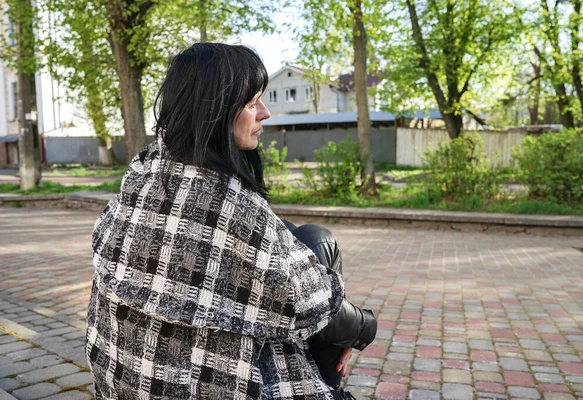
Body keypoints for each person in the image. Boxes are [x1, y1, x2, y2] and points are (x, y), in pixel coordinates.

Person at [85, 42, 377, 400]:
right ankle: (332, 385)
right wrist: (364, 327)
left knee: (296, 238)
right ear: (216, 111)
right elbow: (313, 304)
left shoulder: (145, 174)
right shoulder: (233, 208)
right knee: (318, 244)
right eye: (253, 102)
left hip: (120, 381)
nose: (265, 113)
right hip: (198, 387)